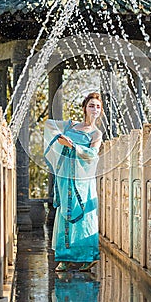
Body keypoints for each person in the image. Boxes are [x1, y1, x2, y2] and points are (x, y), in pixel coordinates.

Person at [44, 92, 103, 272]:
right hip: (65, 175)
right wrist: (60, 139)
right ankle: (64, 258)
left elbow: (92, 155)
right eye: (91, 105)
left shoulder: (96, 133)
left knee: (84, 215)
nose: (95, 109)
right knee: (64, 213)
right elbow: (49, 126)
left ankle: (88, 257)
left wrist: (74, 146)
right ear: (84, 107)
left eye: (98, 107)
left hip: (83, 179)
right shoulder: (71, 125)